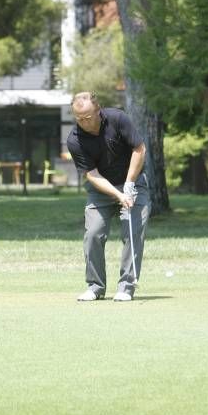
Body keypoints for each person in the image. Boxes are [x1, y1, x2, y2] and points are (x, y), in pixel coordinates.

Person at [65, 92, 150, 302]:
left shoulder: (117, 119)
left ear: (98, 110)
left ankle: (126, 287)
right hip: (101, 189)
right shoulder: (74, 140)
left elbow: (139, 149)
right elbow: (92, 175)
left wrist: (129, 184)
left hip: (133, 181)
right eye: (79, 118)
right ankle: (95, 287)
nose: (84, 122)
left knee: (133, 229)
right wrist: (118, 194)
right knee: (93, 233)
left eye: (87, 117)